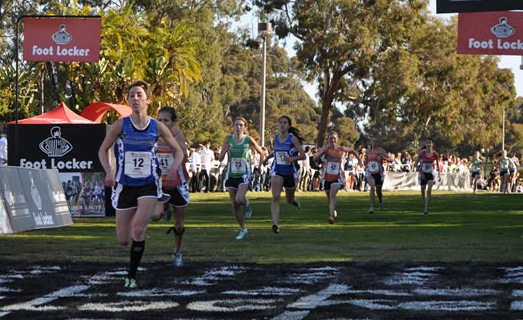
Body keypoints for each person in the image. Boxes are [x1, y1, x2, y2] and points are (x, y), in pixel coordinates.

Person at [98, 80, 184, 288]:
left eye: (139, 95)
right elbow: (103, 150)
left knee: (138, 231)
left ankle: (131, 276)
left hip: (148, 184)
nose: (135, 99)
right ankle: (147, 212)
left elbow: (178, 151)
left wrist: (173, 169)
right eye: (131, 96)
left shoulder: (157, 126)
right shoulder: (121, 125)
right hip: (125, 184)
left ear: (148, 100)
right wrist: (109, 170)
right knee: (123, 239)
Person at [151, 106, 190, 267]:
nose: (162, 123)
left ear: (173, 122)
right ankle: (164, 206)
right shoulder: (153, 134)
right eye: (159, 120)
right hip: (160, 183)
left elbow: (185, 157)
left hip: (177, 183)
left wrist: (174, 142)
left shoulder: (177, 134)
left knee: (179, 223)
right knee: (154, 216)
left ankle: (177, 252)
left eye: (165, 120)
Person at [218, 117, 266, 240]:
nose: (238, 127)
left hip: (244, 173)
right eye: (236, 125)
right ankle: (243, 229)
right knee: (234, 204)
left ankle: (247, 203)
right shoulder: (228, 139)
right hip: (231, 173)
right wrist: (225, 149)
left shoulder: (248, 140)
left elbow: (261, 152)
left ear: (245, 128)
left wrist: (259, 168)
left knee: (240, 199)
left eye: (241, 125)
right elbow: (220, 158)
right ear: (233, 126)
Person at [266, 115, 305, 234]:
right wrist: (267, 157)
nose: (282, 124)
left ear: (289, 126)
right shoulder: (276, 138)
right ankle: (275, 224)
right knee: (275, 197)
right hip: (277, 170)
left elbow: (303, 155)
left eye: (285, 123)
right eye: (280, 122)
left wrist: (292, 158)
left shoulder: (292, 139)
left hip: (290, 172)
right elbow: (276, 152)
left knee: (289, 199)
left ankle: (293, 200)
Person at [313, 132, 363, 224]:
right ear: (328, 140)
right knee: (329, 197)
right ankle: (332, 210)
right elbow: (315, 159)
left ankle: (331, 216)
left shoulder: (341, 149)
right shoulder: (326, 150)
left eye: (334, 138)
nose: (333, 140)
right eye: (331, 138)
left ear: (338, 139)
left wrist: (360, 161)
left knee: (332, 194)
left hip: (337, 177)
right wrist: (322, 152)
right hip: (327, 177)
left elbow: (352, 150)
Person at [365, 136, 392, 213]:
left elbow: (390, 159)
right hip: (369, 172)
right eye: (373, 141)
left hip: (379, 172)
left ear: (378, 142)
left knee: (378, 190)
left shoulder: (381, 150)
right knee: (372, 187)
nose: (374, 143)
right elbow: (366, 160)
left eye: (376, 141)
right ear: (371, 142)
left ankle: (380, 200)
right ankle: (371, 207)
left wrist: (384, 158)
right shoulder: (368, 151)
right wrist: (366, 166)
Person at [414, 138, 441, 215]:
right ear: (425, 145)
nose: (429, 145)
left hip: (430, 173)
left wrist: (439, 175)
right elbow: (416, 164)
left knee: (429, 189)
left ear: (432, 144)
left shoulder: (435, 154)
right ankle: (425, 201)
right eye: (427, 143)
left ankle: (425, 209)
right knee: (423, 190)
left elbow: (438, 164)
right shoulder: (422, 153)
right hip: (423, 173)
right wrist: (421, 173)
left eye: (430, 143)